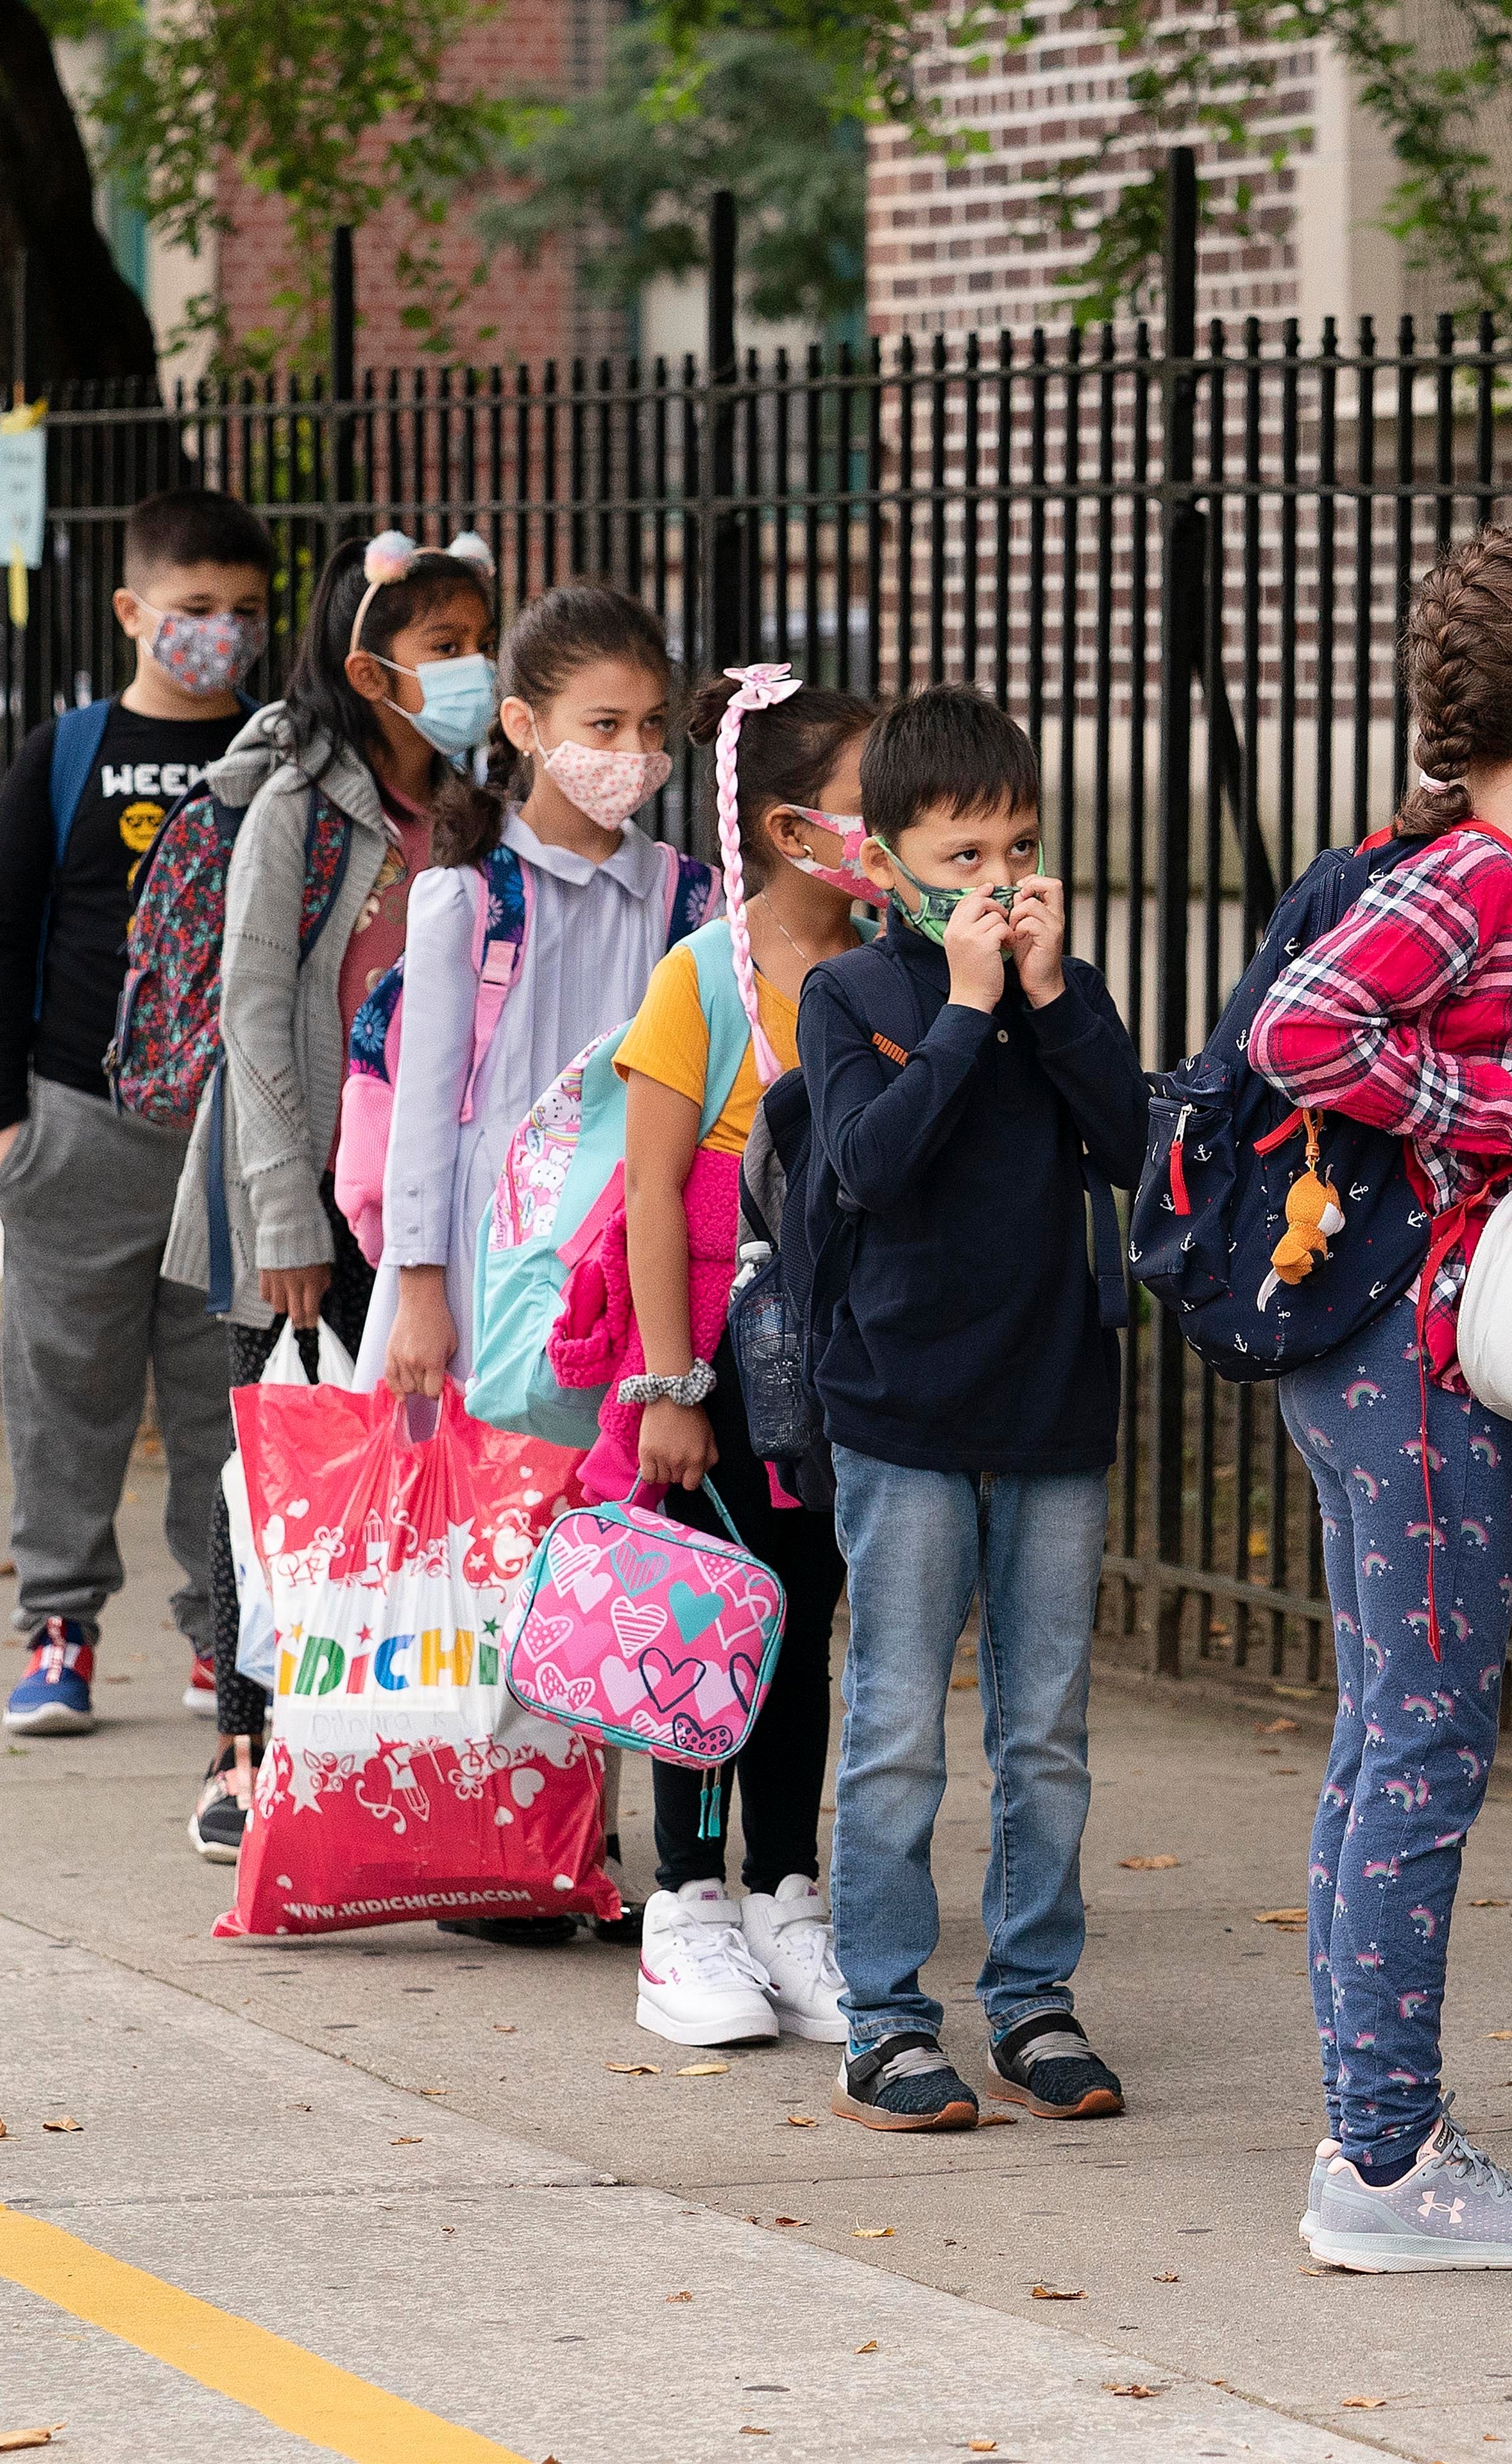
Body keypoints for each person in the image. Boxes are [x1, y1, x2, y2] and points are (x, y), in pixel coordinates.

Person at [1244, 525, 1512, 2272]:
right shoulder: (1479, 878)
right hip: (1416, 1360)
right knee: (1423, 1745)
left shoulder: (1461, 867)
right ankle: (1388, 2165)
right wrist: (1509, 1112)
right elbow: (1301, 1032)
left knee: (1386, 1737)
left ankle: (1378, 2137)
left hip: (1391, 1354)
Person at [795, 682, 1143, 2131]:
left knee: (1044, 1725)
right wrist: (965, 1013)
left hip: (1050, 1400)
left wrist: (1048, 1002)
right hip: (903, 1410)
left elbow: (1130, 1143)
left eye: (1015, 851)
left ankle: (1032, 1996)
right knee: (892, 1726)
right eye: (960, 861)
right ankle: (882, 2014)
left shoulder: (1060, 993)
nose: (995, 886)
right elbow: (868, 1168)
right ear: (885, 865)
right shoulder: (851, 995)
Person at [173, 529, 500, 1861]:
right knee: (281, 1471)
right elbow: (251, 1012)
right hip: (298, 1189)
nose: (473, 669)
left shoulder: (490, 802)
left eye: (483, 640)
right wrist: (285, 1220)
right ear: (372, 669)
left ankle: (399, 1736)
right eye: (445, 648)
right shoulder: (301, 805)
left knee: (422, 1471)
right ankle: (245, 1752)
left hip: (432, 1198)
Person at [0, 487, 276, 1745]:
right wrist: (2, 1124)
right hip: (78, 1123)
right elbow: (4, 939)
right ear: (132, 610)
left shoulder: (278, 747)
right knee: (65, 1390)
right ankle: (59, 1627)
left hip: (236, 1139)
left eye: (247, 612)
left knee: (224, 1398)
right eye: (196, 609)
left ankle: (225, 1638)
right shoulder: (67, 751)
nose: (222, 631)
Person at [598, 664, 875, 2046]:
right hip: (713, 1361)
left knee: (802, 1631)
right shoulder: (705, 976)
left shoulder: (897, 970)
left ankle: (787, 1892)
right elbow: (652, 1191)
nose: (895, 830)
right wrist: (670, 1385)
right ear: (789, 830)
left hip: (833, 1371)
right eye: (869, 807)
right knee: (710, 1632)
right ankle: (688, 1908)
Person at [361, 581, 704, 1400]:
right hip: (481, 1270)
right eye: (605, 726)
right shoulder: (468, 898)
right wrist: (420, 1296)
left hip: (623, 1265)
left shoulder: (685, 899)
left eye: (652, 724)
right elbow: (424, 1117)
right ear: (526, 726)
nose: (635, 750)